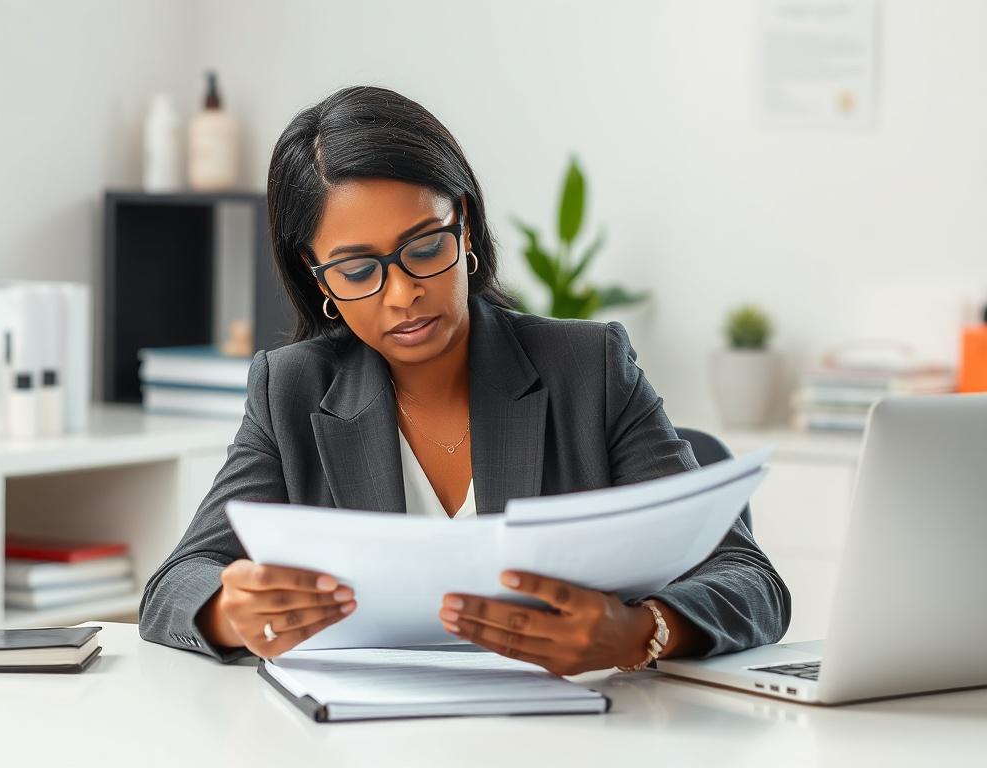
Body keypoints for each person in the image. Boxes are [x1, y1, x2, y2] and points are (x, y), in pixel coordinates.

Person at [139, 86, 790, 675]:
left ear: (466, 224)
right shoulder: (290, 391)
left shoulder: (587, 369)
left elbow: (749, 579)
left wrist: (641, 632)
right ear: (317, 278)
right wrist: (232, 611)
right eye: (359, 270)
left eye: (425, 247)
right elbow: (176, 583)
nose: (403, 295)